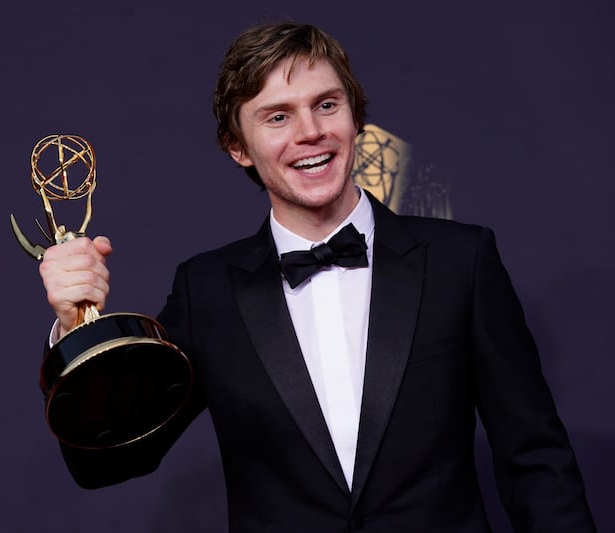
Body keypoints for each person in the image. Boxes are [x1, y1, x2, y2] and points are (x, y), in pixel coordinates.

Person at [38, 22, 596, 532]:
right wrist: (76, 331)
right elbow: (105, 461)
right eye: (277, 116)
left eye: (326, 105)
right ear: (238, 148)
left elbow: (536, 462)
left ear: (355, 116)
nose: (310, 132)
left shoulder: (461, 261)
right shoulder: (207, 290)